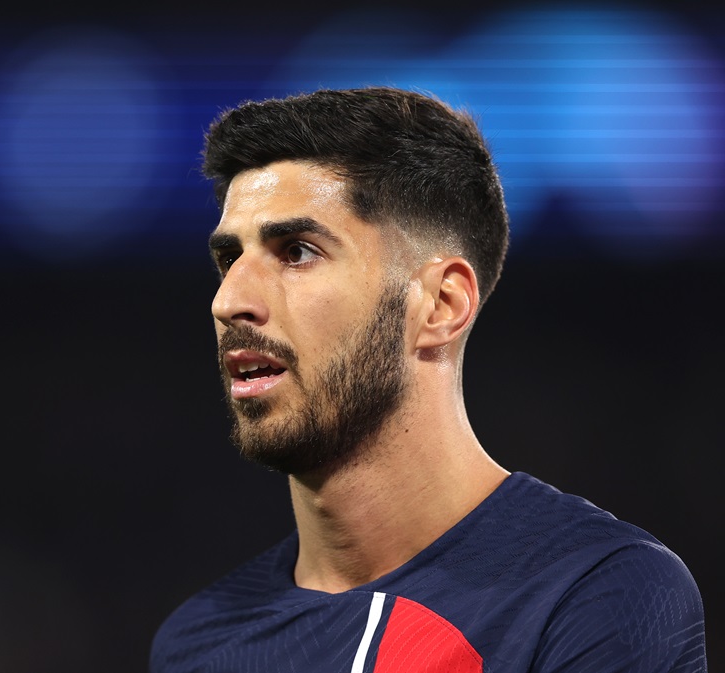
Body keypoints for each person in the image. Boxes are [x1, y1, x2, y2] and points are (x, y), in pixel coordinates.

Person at [149, 86, 707, 672]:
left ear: (440, 305)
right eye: (228, 259)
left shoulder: (594, 594)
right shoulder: (199, 642)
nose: (228, 300)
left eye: (297, 252)